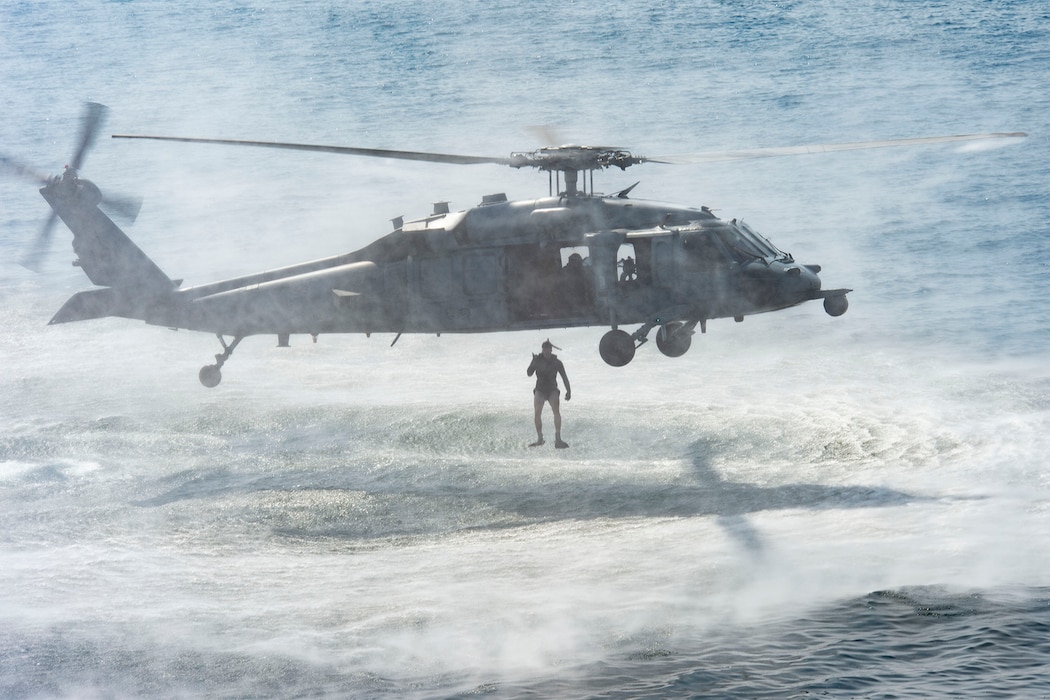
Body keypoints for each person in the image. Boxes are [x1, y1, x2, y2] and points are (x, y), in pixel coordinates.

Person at [527, 339, 571, 448]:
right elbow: (529, 373)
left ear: (551, 350)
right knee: (537, 413)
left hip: (552, 389)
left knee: (556, 411)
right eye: (545, 350)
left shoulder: (557, 362)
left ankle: (558, 439)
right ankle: (540, 439)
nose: (546, 352)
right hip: (540, 389)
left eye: (548, 350)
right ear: (542, 350)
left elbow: (564, 377)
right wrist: (533, 362)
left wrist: (568, 391)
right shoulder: (537, 360)